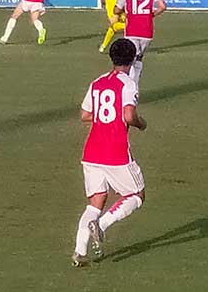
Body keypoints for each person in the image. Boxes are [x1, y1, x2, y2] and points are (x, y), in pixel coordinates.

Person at [72, 38, 148, 267]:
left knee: (95, 202)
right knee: (136, 195)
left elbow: (85, 115)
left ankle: (79, 251)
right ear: (133, 58)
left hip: (92, 151)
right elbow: (128, 115)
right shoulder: (128, 84)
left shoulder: (97, 82)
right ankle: (102, 226)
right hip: (114, 151)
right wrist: (141, 123)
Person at [113, 0, 166, 86]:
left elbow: (116, 10)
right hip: (147, 31)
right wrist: (151, 14)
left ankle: (129, 86)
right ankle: (134, 85)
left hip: (132, 30)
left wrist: (123, 11)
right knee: (138, 57)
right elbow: (162, 6)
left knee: (129, 59)